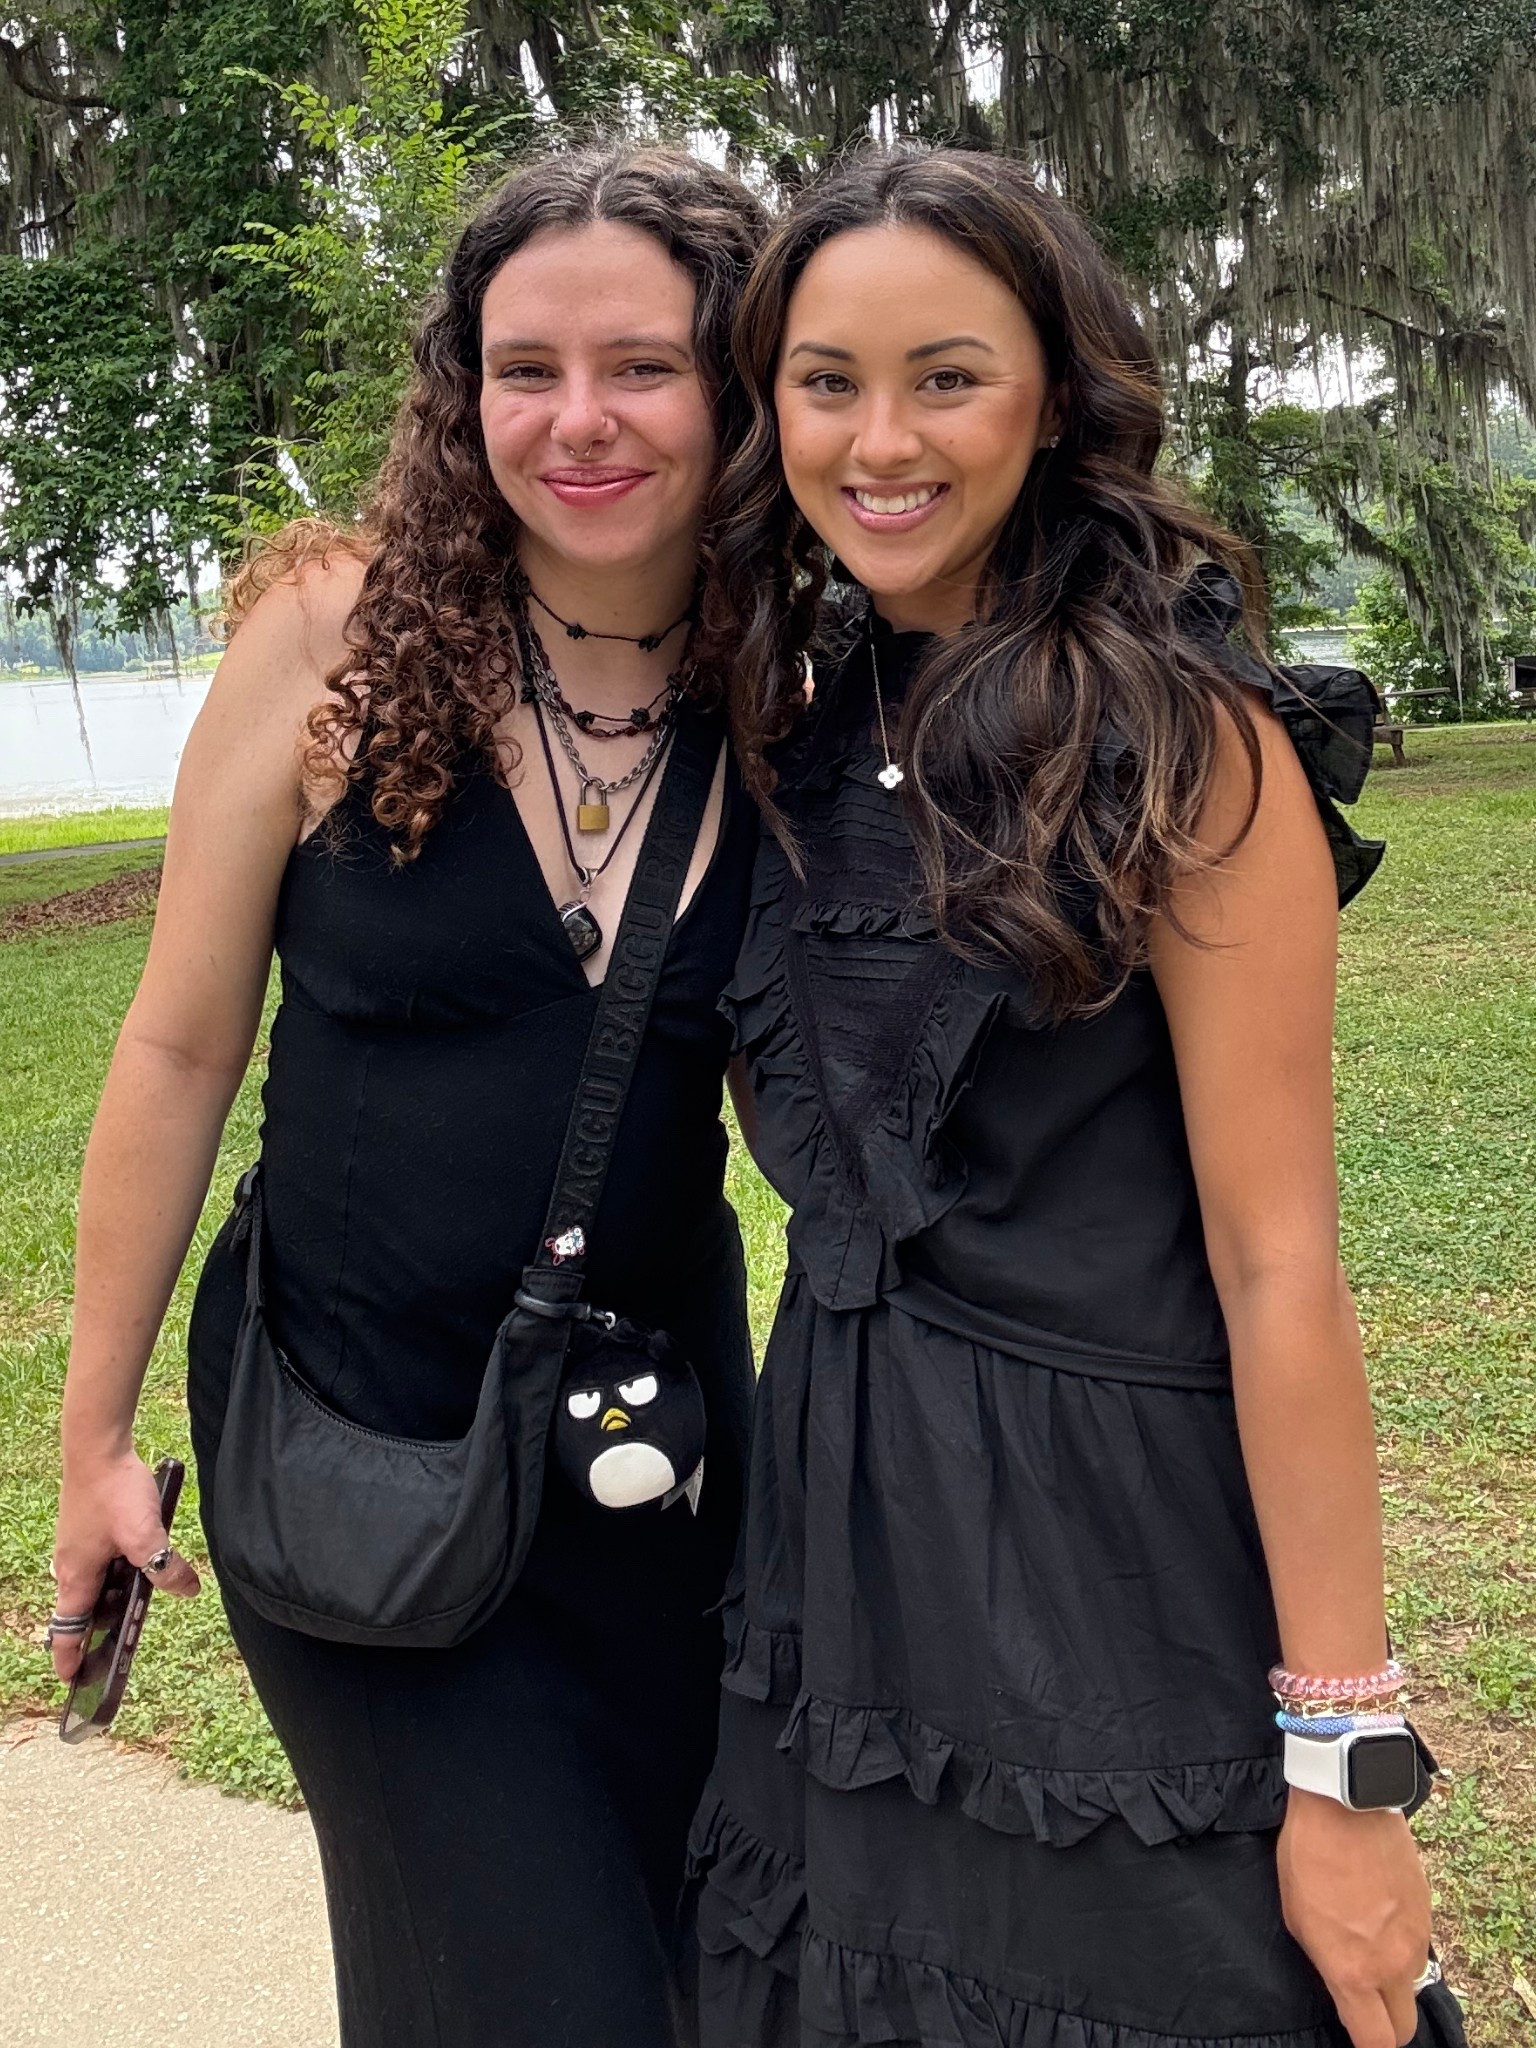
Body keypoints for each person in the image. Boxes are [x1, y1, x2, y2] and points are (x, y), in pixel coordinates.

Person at [686, 147, 1442, 2048]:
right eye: (826, 381)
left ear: (1058, 394)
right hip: (841, 1526)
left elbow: (1283, 1268)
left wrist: (1346, 1762)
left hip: (1112, 1553)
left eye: (947, 375)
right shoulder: (788, 720)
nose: (881, 440)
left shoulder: (1189, 745)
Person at [49, 146, 766, 2047]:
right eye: (524, 367)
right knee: (541, 1994)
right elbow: (179, 1045)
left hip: (657, 1460)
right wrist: (92, 1441)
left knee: (691, 1962)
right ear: (464, 392)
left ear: (739, 383)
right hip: (354, 1455)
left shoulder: (795, 680)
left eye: (644, 365)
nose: (579, 420)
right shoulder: (333, 638)